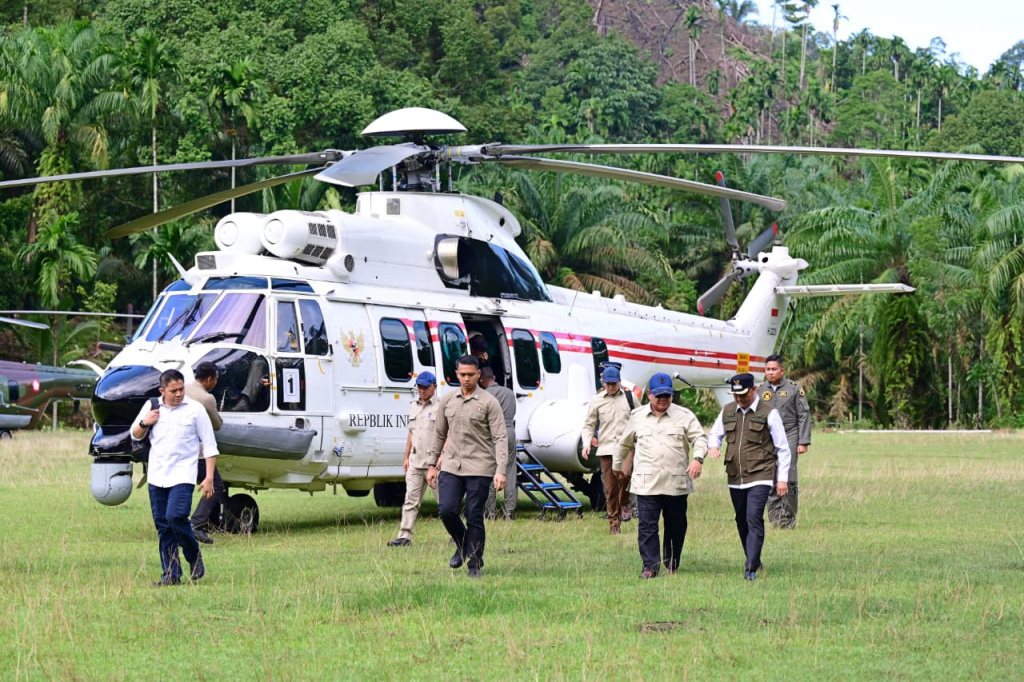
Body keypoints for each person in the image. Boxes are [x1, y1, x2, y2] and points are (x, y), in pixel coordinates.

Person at [614, 373, 707, 579]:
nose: (663, 399)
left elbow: (699, 439)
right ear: (649, 394)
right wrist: (617, 466)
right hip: (647, 483)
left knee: (676, 525)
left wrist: (697, 459)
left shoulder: (684, 415)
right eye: (659, 395)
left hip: (676, 483)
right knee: (647, 526)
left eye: (667, 395)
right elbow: (624, 443)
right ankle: (650, 566)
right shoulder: (637, 416)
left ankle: (672, 562)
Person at [132, 369, 219, 586]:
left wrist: (208, 477)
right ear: (163, 390)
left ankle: (193, 553)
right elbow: (134, 433)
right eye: (173, 391)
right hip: (157, 474)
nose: (179, 394)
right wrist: (145, 422)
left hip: (183, 474)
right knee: (163, 526)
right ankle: (170, 575)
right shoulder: (152, 406)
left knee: (176, 517)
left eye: (181, 389)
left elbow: (209, 445)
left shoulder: (196, 409)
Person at [426, 355, 508, 578]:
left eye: (471, 374)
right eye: (462, 374)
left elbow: (501, 437)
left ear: (479, 374)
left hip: (480, 466)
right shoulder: (448, 399)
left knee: (474, 515)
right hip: (452, 464)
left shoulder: (489, 402)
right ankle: (462, 543)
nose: (466, 379)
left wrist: (501, 470)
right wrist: (431, 465)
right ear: (456, 374)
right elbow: (439, 433)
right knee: (447, 510)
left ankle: (474, 563)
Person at [706, 373, 791, 580]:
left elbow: (783, 448)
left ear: (754, 390)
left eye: (743, 395)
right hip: (735, 476)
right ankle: (754, 558)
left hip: (761, 474)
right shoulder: (727, 411)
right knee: (741, 520)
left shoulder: (769, 413)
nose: (739, 399)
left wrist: (782, 479)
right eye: (736, 396)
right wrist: (713, 446)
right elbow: (714, 434)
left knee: (753, 518)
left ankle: (750, 568)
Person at [580, 366, 635, 534]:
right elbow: (588, 425)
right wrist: (587, 442)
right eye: (608, 384)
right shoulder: (596, 400)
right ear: (603, 383)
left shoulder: (629, 397)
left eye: (614, 383)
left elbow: (640, 416)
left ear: (619, 382)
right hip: (607, 449)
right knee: (610, 489)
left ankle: (624, 502)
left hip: (626, 447)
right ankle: (614, 524)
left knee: (625, 476)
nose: (611, 387)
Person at [758, 354, 811, 529]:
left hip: (790, 433)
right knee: (771, 475)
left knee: (787, 474)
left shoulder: (794, 388)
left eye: (774, 369)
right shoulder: (760, 390)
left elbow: (804, 414)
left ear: (782, 370)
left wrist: (803, 442)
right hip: (768, 436)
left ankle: (788, 519)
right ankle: (775, 517)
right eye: (767, 369)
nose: (770, 373)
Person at [387, 371, 439, 547]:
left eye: (426, 387)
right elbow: (411, 432)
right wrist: (406, 457)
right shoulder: (413, 405)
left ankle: (456, 535)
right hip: (416, 461)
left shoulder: (441, 407)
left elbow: (447, 435)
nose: (422, 390)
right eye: (419, 387)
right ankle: (404, 537)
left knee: (446, 504)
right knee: (410, 500)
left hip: (435, 462)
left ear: (434, 387)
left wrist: (442, 458)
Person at [187, 362, 224, 545]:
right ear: (209, 379)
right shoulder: (206, 398)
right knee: (215, 484)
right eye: (216, 380)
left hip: (178, 449)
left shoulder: (181, 388)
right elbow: (217, 425)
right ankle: (196, 524)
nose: (216, 383)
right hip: (197, 451)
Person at [481, 366, 518, 520]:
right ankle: (509, 511)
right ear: (494, 377)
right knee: (509, 471)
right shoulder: (510, 393)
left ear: (482, 380)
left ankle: (490, 512)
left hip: (492, 435)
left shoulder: (484, 395)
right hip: (509, 432)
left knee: (490, 471)